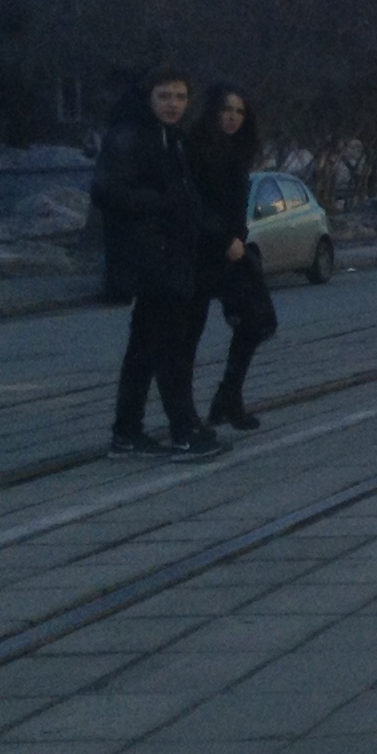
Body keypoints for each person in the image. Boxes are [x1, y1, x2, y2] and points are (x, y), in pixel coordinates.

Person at [90, 67, 225, 461]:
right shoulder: (132, 136)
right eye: (164, 96)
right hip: (152, 260)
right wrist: (164, 204)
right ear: (148, 97)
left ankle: (127, 432)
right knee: (170, 350)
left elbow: (186, 197)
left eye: (180, 97)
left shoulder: (171, 137)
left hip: (170, 258)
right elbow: (107, 191)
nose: (173, 104)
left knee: (144, 350)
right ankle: (183, 431)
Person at [187, 82, 278, 432]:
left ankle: (229, 396)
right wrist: (224, 237)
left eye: (239, 111)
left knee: (257, 320)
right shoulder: (196, 147)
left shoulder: (239, 150)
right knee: (188, 334)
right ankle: (187, 416)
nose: (233, 117)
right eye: (227, 110)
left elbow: (236, 205)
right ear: (212, 110)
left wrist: (237, 236)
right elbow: (196, 202)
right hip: (201, 251)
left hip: (233, 250)